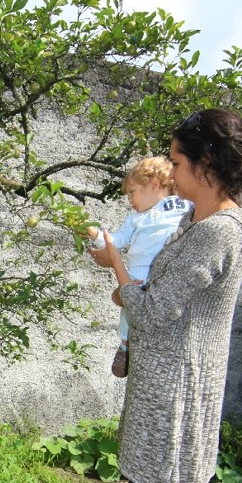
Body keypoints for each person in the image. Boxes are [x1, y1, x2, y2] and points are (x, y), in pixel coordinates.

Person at [90, 108, 242, 483]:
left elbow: (157, 311)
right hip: (160, 376)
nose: (171, 172)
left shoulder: (219, 232)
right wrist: (129, 283)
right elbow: (159, 295)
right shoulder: (195, 220)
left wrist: (117, 268)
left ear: (207, 164)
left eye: (179, 162)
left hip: (177, 387)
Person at [86, 156, 191, 377]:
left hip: (165, 270)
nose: (130, 200)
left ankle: (134, 345)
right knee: (128, 307)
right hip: (137, 271)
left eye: (133, 192)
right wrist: (96, 235)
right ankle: (125, 346)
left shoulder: (182, 204)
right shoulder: (135, 219)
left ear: (154, 185)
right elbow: (115, 241)